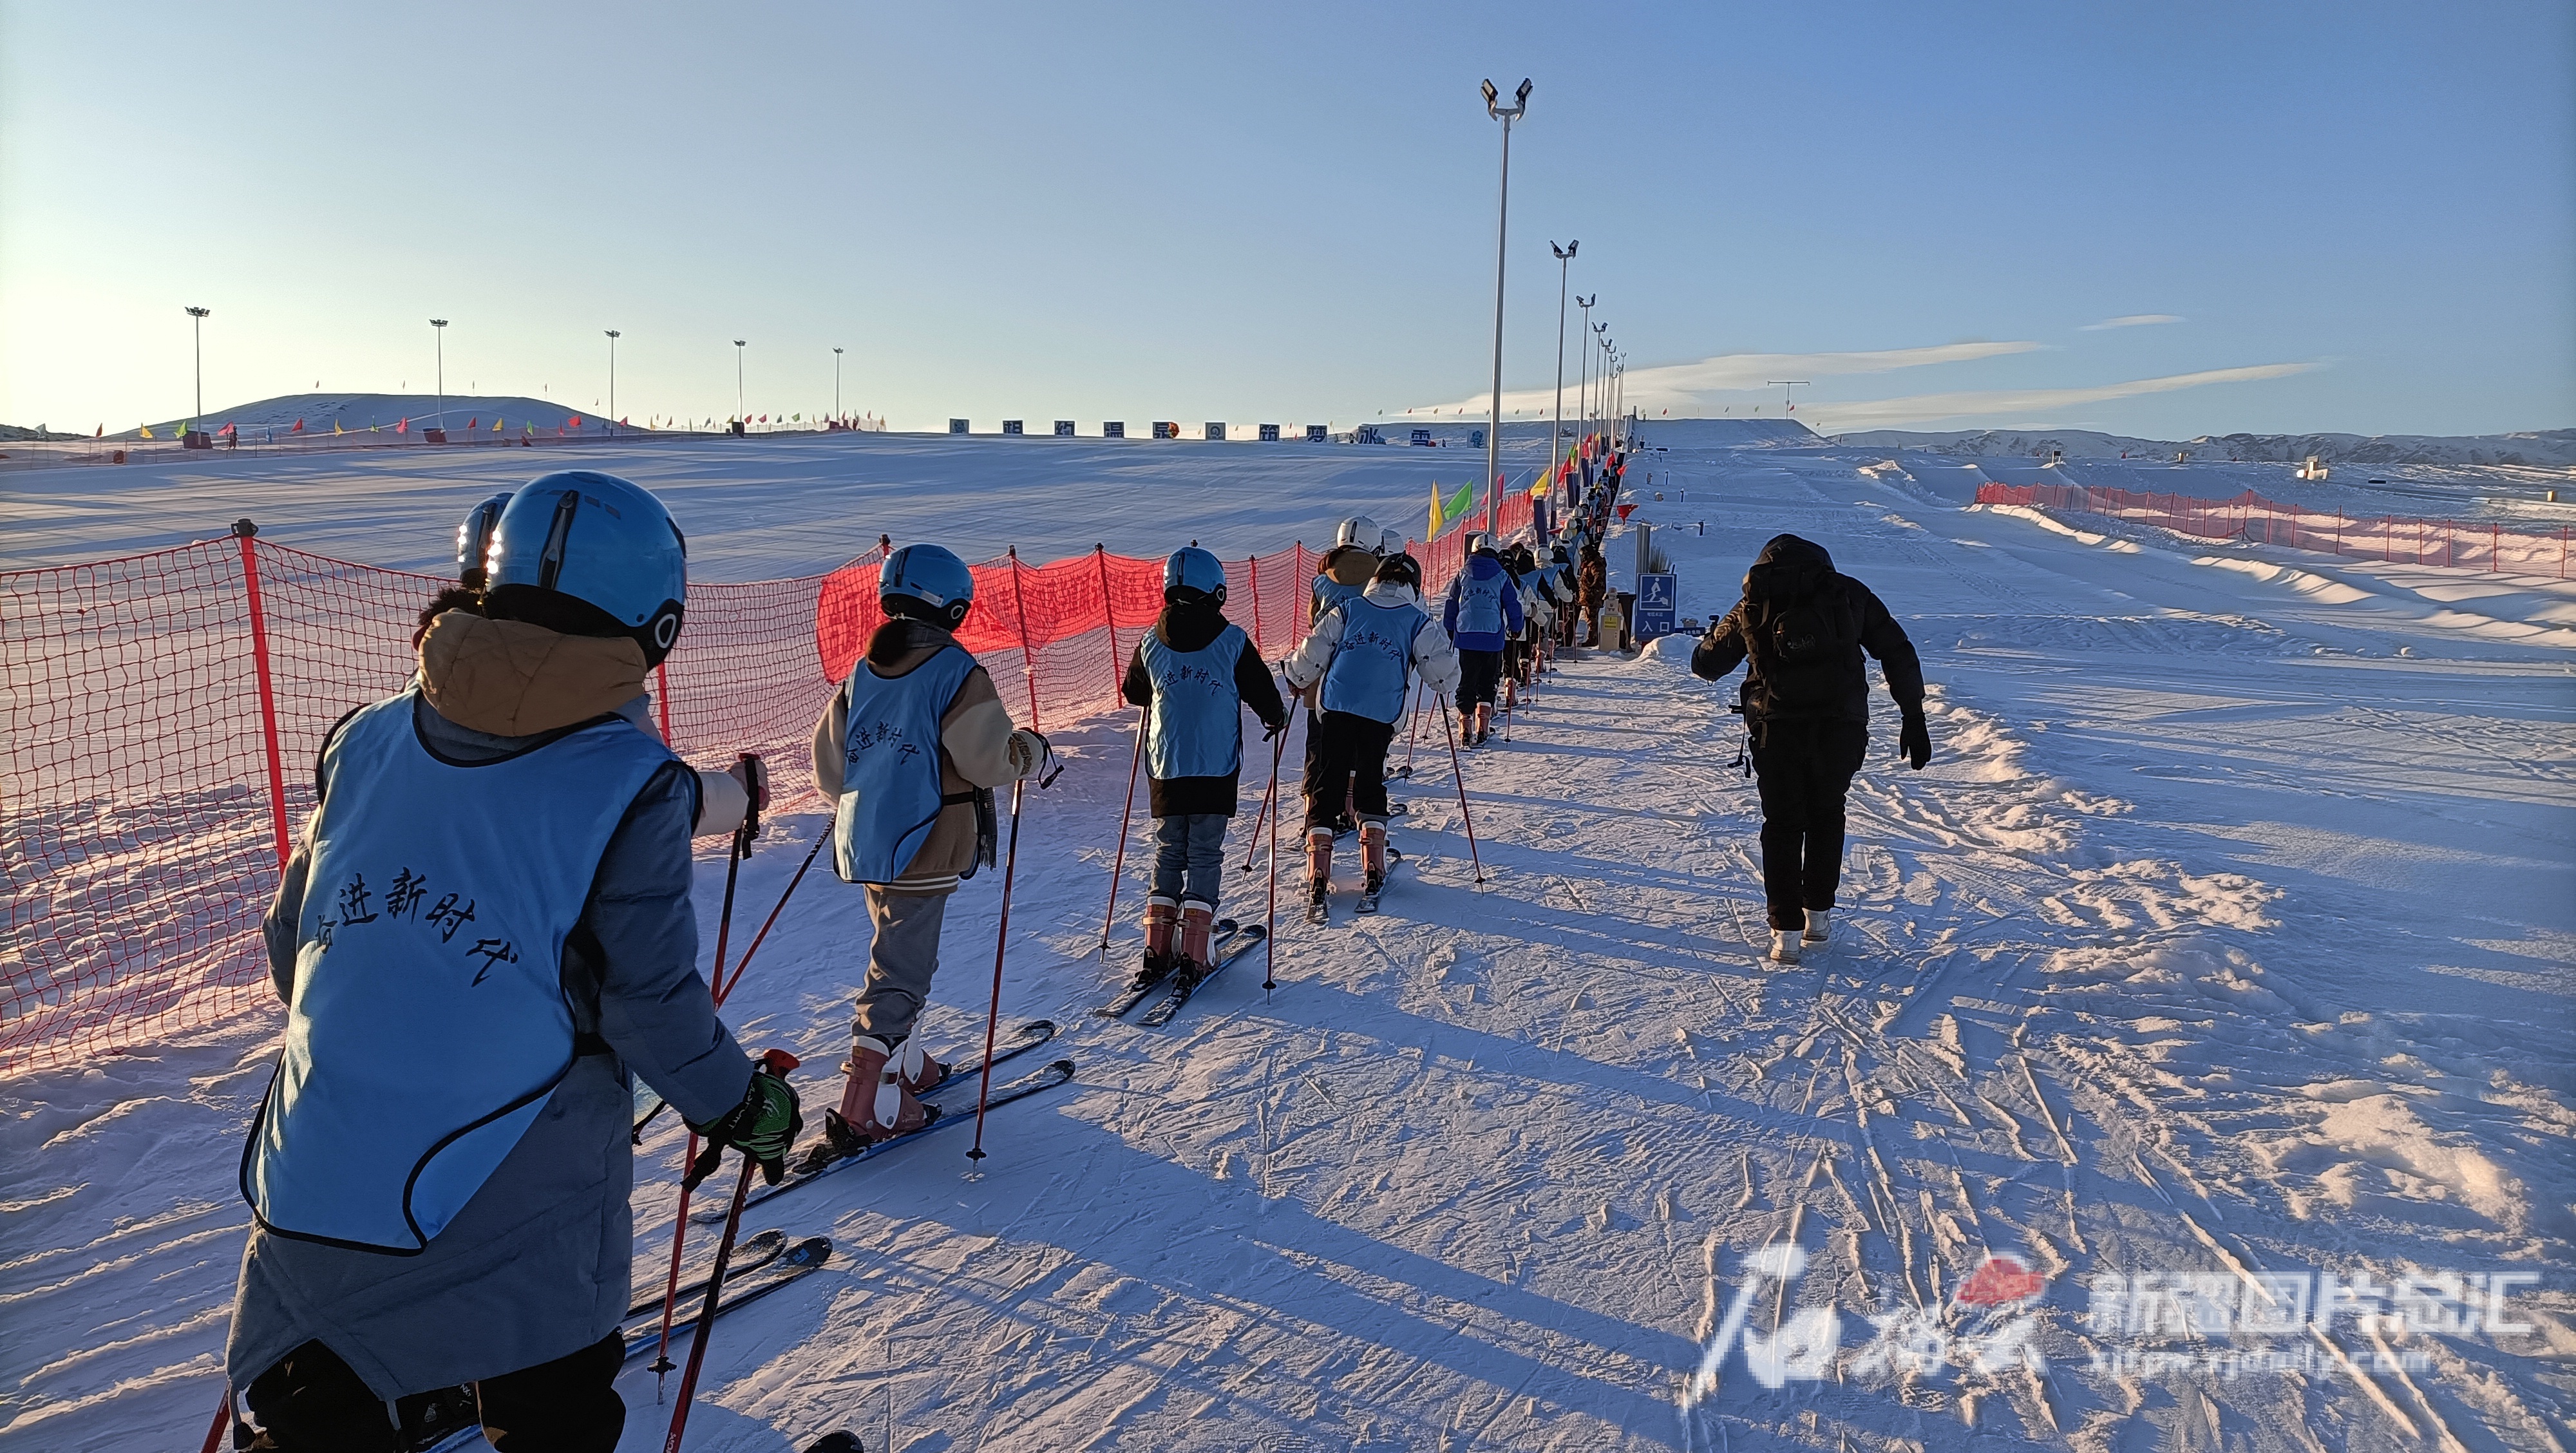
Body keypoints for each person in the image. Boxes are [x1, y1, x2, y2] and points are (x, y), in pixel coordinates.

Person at [227, 470, 798, 1452]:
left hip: (318, 1165)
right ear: (657, 625)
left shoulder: (365, 738)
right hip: (519, 1184)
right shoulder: (634, 783)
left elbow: (294, 948)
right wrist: (739, 1105)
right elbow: (647, 1002)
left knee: (315, 1408)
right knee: (555, 1398)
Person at [803, 544, 1050, 1157]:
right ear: (955, 608)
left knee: (893, 947)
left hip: (871, 836)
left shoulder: (862, 673)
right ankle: (870, 1103)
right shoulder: (955, 671)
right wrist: (1030, 752)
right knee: (903, 967)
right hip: (930, 838)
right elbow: (987, 759)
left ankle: (907, 1062)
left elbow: (831, 770)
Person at [1690, 534, 1930, 965]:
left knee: (1782, 823)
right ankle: (1816, 916)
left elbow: (1707, 665)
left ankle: (1785, 933)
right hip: (1841, 726)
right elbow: (1896, 648)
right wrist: (1913, 714)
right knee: (1826, 813)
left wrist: (1713, 643)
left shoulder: (1756, 601)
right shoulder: (1849, 593)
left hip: (1776, 728)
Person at [1116, 546, 1287, 994]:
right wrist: (1275, 716)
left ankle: (1158, 948)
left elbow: (1134, 691)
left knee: (1170, 848)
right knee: (1205, 851)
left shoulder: (1151, 640)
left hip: (1167, 762)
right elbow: (1261, 689)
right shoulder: (1231, 640)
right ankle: (1195, 950)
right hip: (1214, 764)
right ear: (1216, 591)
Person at [1282, 553, 1459, 916]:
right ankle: (1374, 863)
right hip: (1380, 713)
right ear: (1414, 585)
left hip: (1337, 706)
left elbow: (1315, 647)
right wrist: (1445, 682)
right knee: (1370, 782)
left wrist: (1297, 677)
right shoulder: (1417, 620)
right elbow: (1443, 674)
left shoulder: (1348, 608)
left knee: (1326, 783)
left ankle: (1318, 865)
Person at [1302, 516, 1385, 834]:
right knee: (1358, 746)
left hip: (1323, 675)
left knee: (1318, 746)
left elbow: (1314, 624)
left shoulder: (1322, 579)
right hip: (1365, 676)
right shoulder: (1379, 577)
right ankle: (1351, 808)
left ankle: (1314, 811)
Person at [1441, 532, 1522, 746]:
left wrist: (1450, 627)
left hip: (1466, 635)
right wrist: (1516, 627)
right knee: (1488, 679)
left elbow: (1451, 603)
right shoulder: (1502, 576)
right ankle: (1483, 726)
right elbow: (1513, 605)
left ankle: (1464, 727)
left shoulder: (1462, 575)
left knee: (1467, 679)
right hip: (1492, 636)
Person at [1576, 541, 1609, 648]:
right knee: (1589, 617)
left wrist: (1592, 592)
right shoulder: (1590, 564)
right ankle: (1592, 638)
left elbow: (1599, 580)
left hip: (1593, 597)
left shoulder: (1596, 565)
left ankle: (1592, 639)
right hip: (1588, 595)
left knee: (1592, 619)